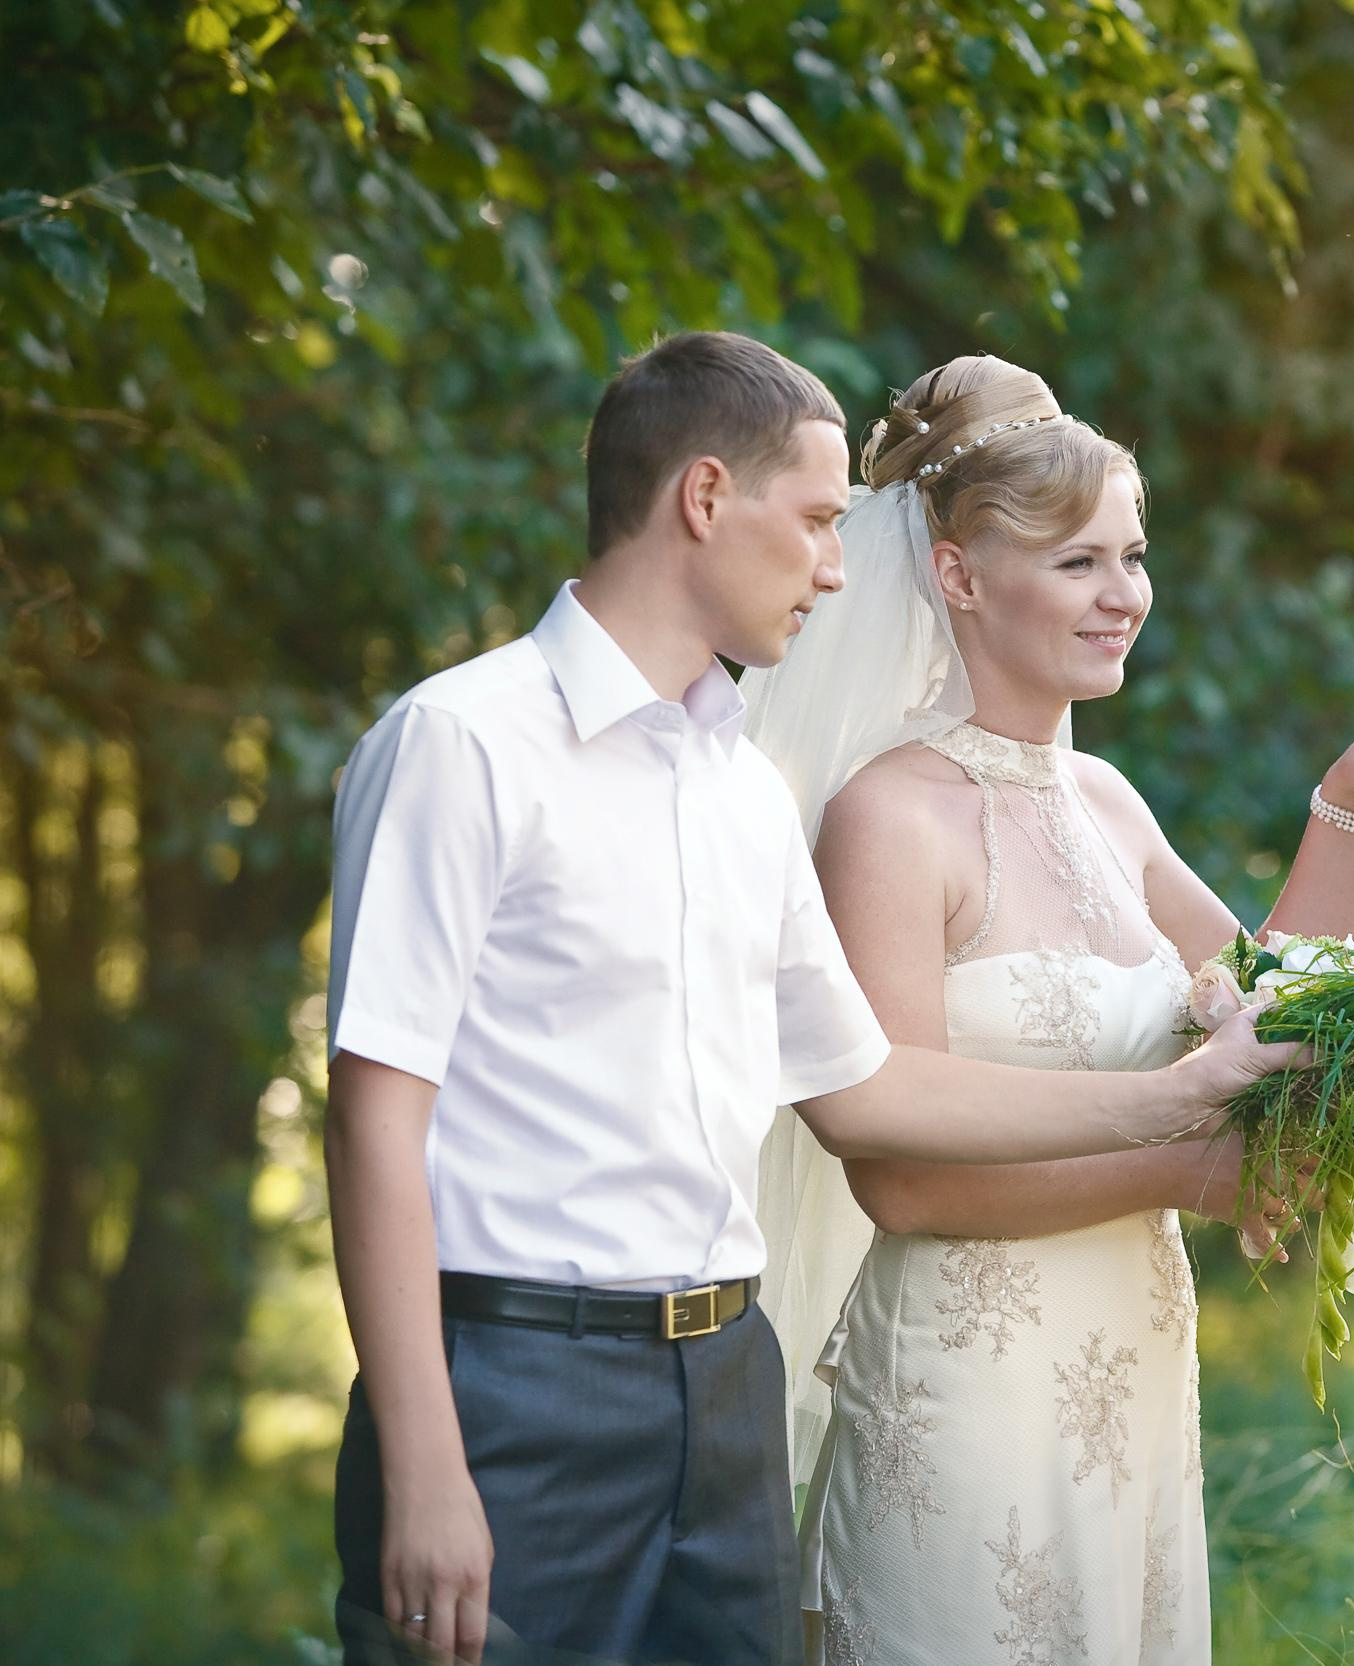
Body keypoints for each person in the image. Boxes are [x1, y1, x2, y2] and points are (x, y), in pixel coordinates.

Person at [324, 333, 1297, 1666]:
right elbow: (374, 1121)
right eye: (822, 522)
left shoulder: (744, 795)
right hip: (511, 1381)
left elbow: (868, 1087)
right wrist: (427, 1465)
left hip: (726, 1380)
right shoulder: (462, 742)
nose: (845, 568)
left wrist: (1174, 1101)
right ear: (707, 499)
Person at [746, 354, 1354, 1664]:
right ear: (960, 573)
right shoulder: (888, 820)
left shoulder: (1110, 806)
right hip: (967, 1392)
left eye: (1132, 556)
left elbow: (1280, 1020)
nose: (1124, 594)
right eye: (1079, 560)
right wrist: (1190, 1168)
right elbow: (900, 1182)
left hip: (1132, 1360)